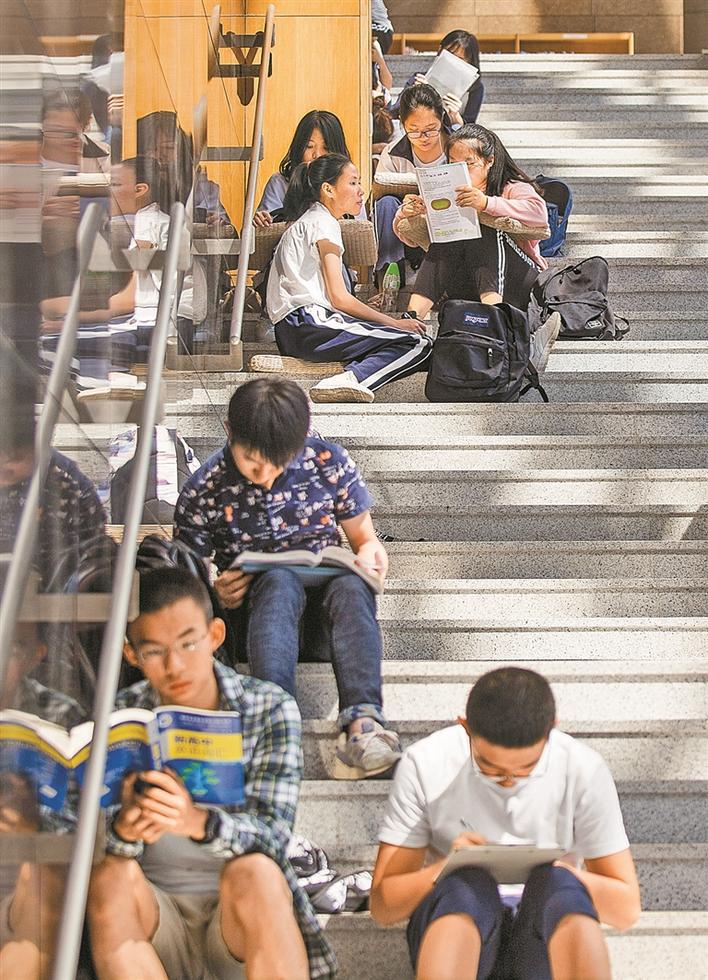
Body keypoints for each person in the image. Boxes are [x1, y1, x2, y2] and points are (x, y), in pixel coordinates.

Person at [88, 567, 336, 980]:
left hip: (235, 917)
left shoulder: (267, 706)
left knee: (257, 872)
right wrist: (124, 830)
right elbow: (96, 841)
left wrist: (197, 822)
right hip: (156, 914)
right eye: (154, 651)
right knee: (109, 876)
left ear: (214, 635)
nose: (175, 665)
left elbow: (273, 837)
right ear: (131, 654)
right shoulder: (122, 716)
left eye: (188, 644)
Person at [173, 378, 402, 779]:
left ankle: (363, 726)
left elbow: (365, 539)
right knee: (278, 580)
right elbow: (183, 585)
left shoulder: (327, 461)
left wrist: (370, 556)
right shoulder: (205, 488)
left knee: (352, 585)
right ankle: (275, 729)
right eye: (252, 462)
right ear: (229, 431)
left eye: (280, 463)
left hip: (325, 625)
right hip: (256, 622)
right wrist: (214, 591)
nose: (265, 475)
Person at [370, 667, 641, 980]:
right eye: (490, 768)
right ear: (465, 728)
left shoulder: (583, 768)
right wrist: (445, 867)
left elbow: (625, 909)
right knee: (466, 885)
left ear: (551, 730)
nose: (508, 781)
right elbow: (383, 906)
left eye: (526, 768)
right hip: (460, 924)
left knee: (560, 887)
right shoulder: (426, 762)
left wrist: (563, 873)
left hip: (543, 938)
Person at [262, 154, 430, 402]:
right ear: (328, 189)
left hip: (296, 329)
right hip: (308, 322)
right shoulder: (323, 222)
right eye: (353, 182)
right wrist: (394, 323)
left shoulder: (311, 219)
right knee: (417, 342)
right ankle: (351, 380)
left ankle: (353, 375)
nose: (360, 190)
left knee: (410, 344)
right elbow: (339, 298)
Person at [0, 613, 85, 980]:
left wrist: (33, 822)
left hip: (21, 885)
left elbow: (80, 829)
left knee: (46, 872)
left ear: (36, 655)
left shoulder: (59, 714)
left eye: (13, 648)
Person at [400, 123, 549, 318]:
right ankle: (412, 320)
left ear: (489, 161)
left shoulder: (510, 187)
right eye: (454, 163)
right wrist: (407, 212)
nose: (462, 170)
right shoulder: (447, 190)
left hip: (518, 281)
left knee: (483, 226)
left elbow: (539, 213)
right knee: (450, 235)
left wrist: (486, 203)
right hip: (468, 280)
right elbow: (405, 235)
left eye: (469, 163)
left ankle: (495, 319)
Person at [373, 84, 452, 282]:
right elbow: (380, 192)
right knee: (386, 203)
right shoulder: (393, 153)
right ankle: (389, 278)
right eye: (414, 131)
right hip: (406, 226)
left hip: (449, 221)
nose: (423, 138)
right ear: (402, 124)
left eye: (431, 130)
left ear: (442, 118)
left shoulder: (458, 147)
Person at [254, 110, 356, 227]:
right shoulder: (280, 183)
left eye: (326, 148)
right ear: (299, 148)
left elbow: (363, 230)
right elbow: (267, 226)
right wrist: (260, 221)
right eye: (309, 146)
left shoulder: (350, 185)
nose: (317, 155)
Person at [391, 30, 485, 126]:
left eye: (460, 59)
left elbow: (470, 128)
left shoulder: (475, 90)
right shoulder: (418, 79)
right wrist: (413, 95)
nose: (452, 63)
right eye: (449, 55)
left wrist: (455, 116)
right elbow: (395, 112)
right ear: (440, 50)